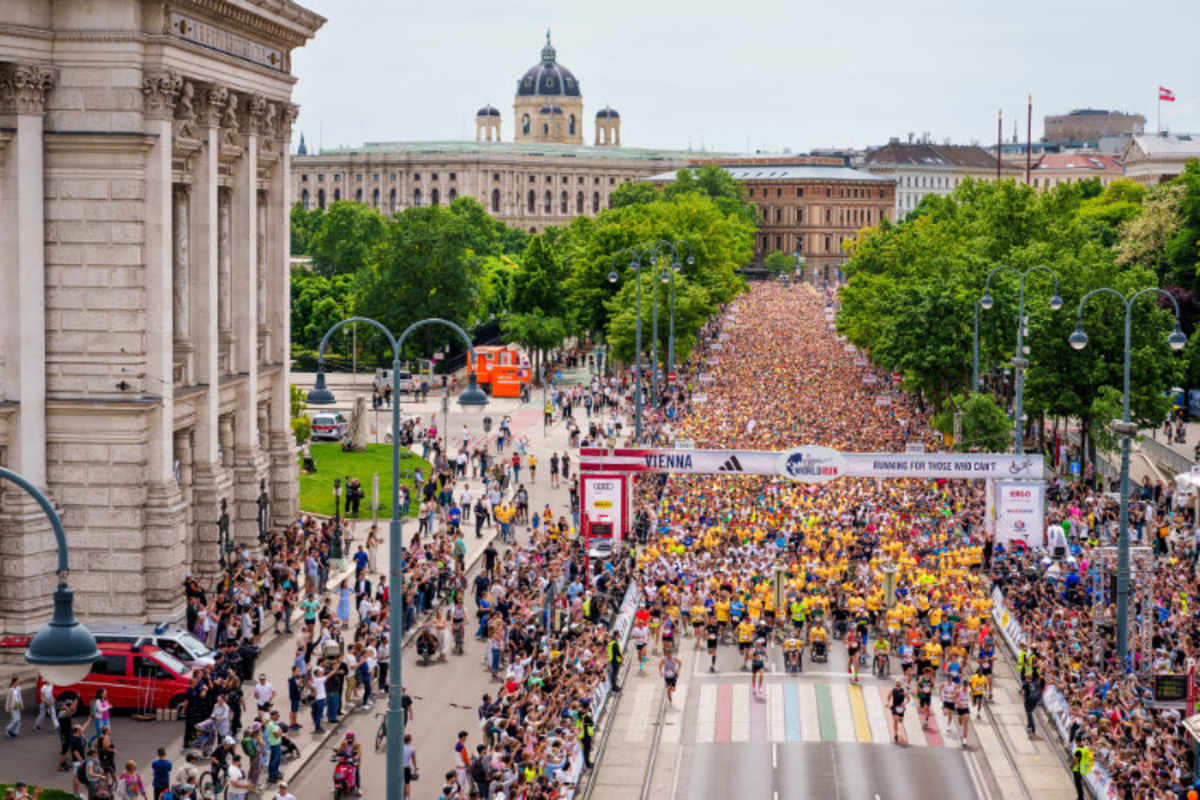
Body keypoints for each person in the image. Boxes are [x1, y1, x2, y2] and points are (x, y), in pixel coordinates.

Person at [890, 679, 908, 745]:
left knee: (900, 720)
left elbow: (908, 699)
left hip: (901, 708)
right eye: (896, 683)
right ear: (895, 684)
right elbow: (888, 697)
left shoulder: (903, 691)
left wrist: (904, 703)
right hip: (894, 706)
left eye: (898, 683)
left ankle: (897, 734)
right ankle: (895, 734)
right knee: (895, 719)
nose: (897, 684)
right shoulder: (893, 690)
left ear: (900, 684)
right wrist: (887, 703)